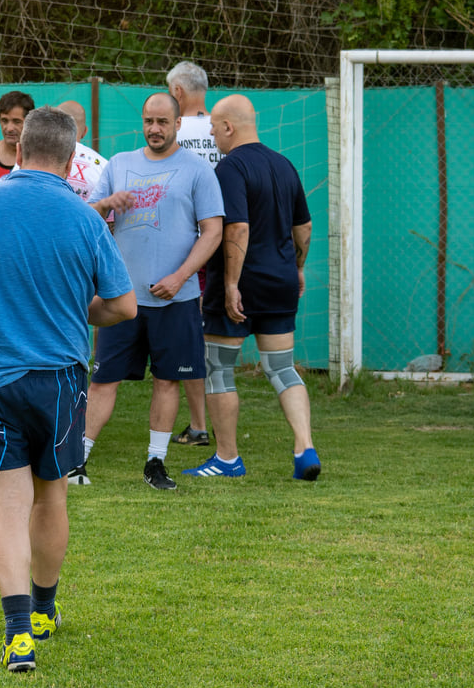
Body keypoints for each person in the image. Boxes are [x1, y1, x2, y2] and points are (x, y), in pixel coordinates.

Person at [0, 106, 135, 672]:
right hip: (60, 380)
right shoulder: (83, 217)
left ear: (19, 150)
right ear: (73, 159)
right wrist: (77, 308)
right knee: (52, 496)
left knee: (7, 506)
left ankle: (17, 633)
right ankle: (44, 612)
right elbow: (123, 306)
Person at [80, 93, 223, 490]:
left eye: (162, 121)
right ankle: (78, 461)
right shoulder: (120, 164)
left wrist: (180, 277)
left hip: (175, 299)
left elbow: (213, 231)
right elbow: (85, 220)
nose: (154, 129)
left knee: (167, 380)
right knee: (103, 381)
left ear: (178, 124)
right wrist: (106, 203)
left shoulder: (197, 171)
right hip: (121, 300)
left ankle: (155, 464)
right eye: (148, 121)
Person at [195, 95, 320, 480]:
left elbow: (238, 228)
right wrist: (297, 268)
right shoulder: (285, 165)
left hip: (240, 285)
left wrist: (231, 283)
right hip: (281, 281)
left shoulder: (230, 168)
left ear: (229, 127)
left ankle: (227, 459)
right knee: (282, 368)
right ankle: (305, 447)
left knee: (218, 369)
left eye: (214, 129)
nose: (213, 136)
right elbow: (305, 228)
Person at [165, 60, 217, 448]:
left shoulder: (175, 134)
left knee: (190, 339)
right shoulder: (223, 127)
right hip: (227, 244)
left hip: (187, 249)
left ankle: (200, 424)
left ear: (177, 93)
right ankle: (208, 421)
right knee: (215, 342)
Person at [54, 100, 109, 204]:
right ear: (84, 132)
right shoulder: (104, 166)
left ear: (53, 127)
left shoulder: (33, 159)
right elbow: (110, 217)